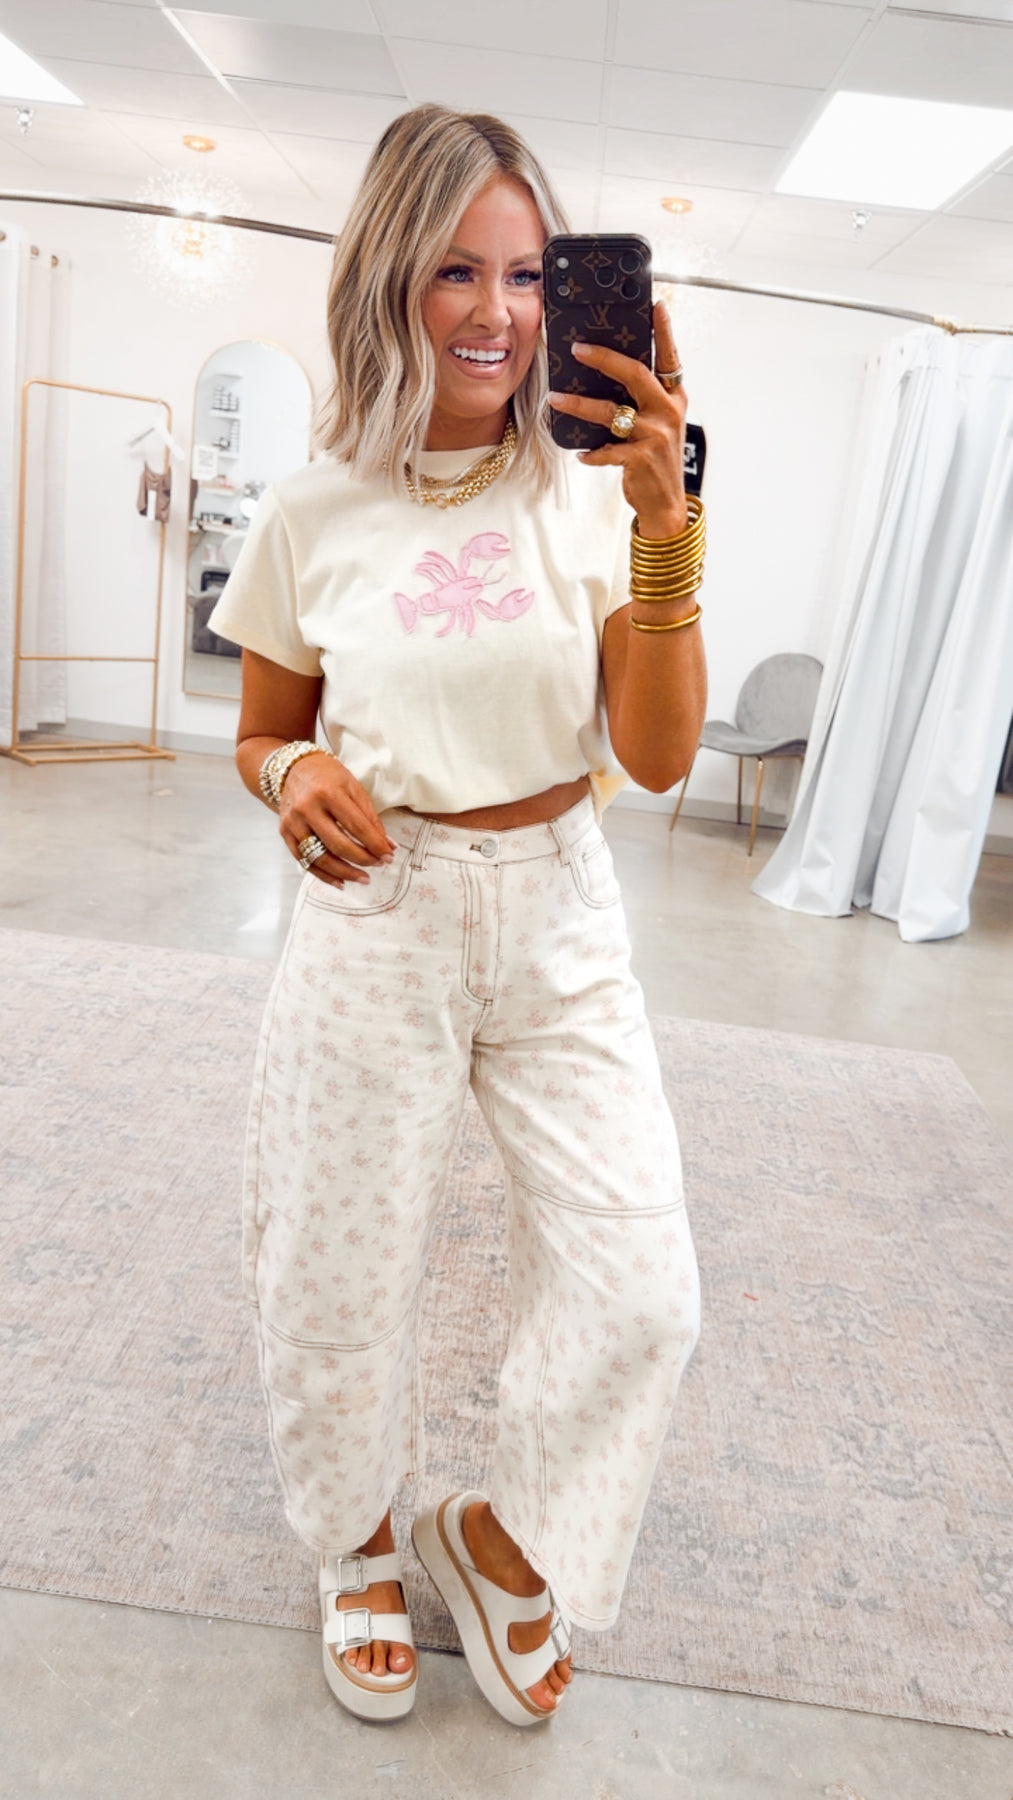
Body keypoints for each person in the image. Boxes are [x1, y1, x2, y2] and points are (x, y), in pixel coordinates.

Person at [208, 102, 705, 1730]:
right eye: (453, 271)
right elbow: (261, 729)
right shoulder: (313, 508)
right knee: (335, 1264)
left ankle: (491, 1532)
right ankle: (355, 1538)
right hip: (380, 911)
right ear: (385, 279)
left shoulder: (598, 494)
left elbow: (655, 755)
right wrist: (291, 775)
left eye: (525, 274)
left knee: (641, 1286)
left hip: (559, 906)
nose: (496, 312)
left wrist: (665, 530)